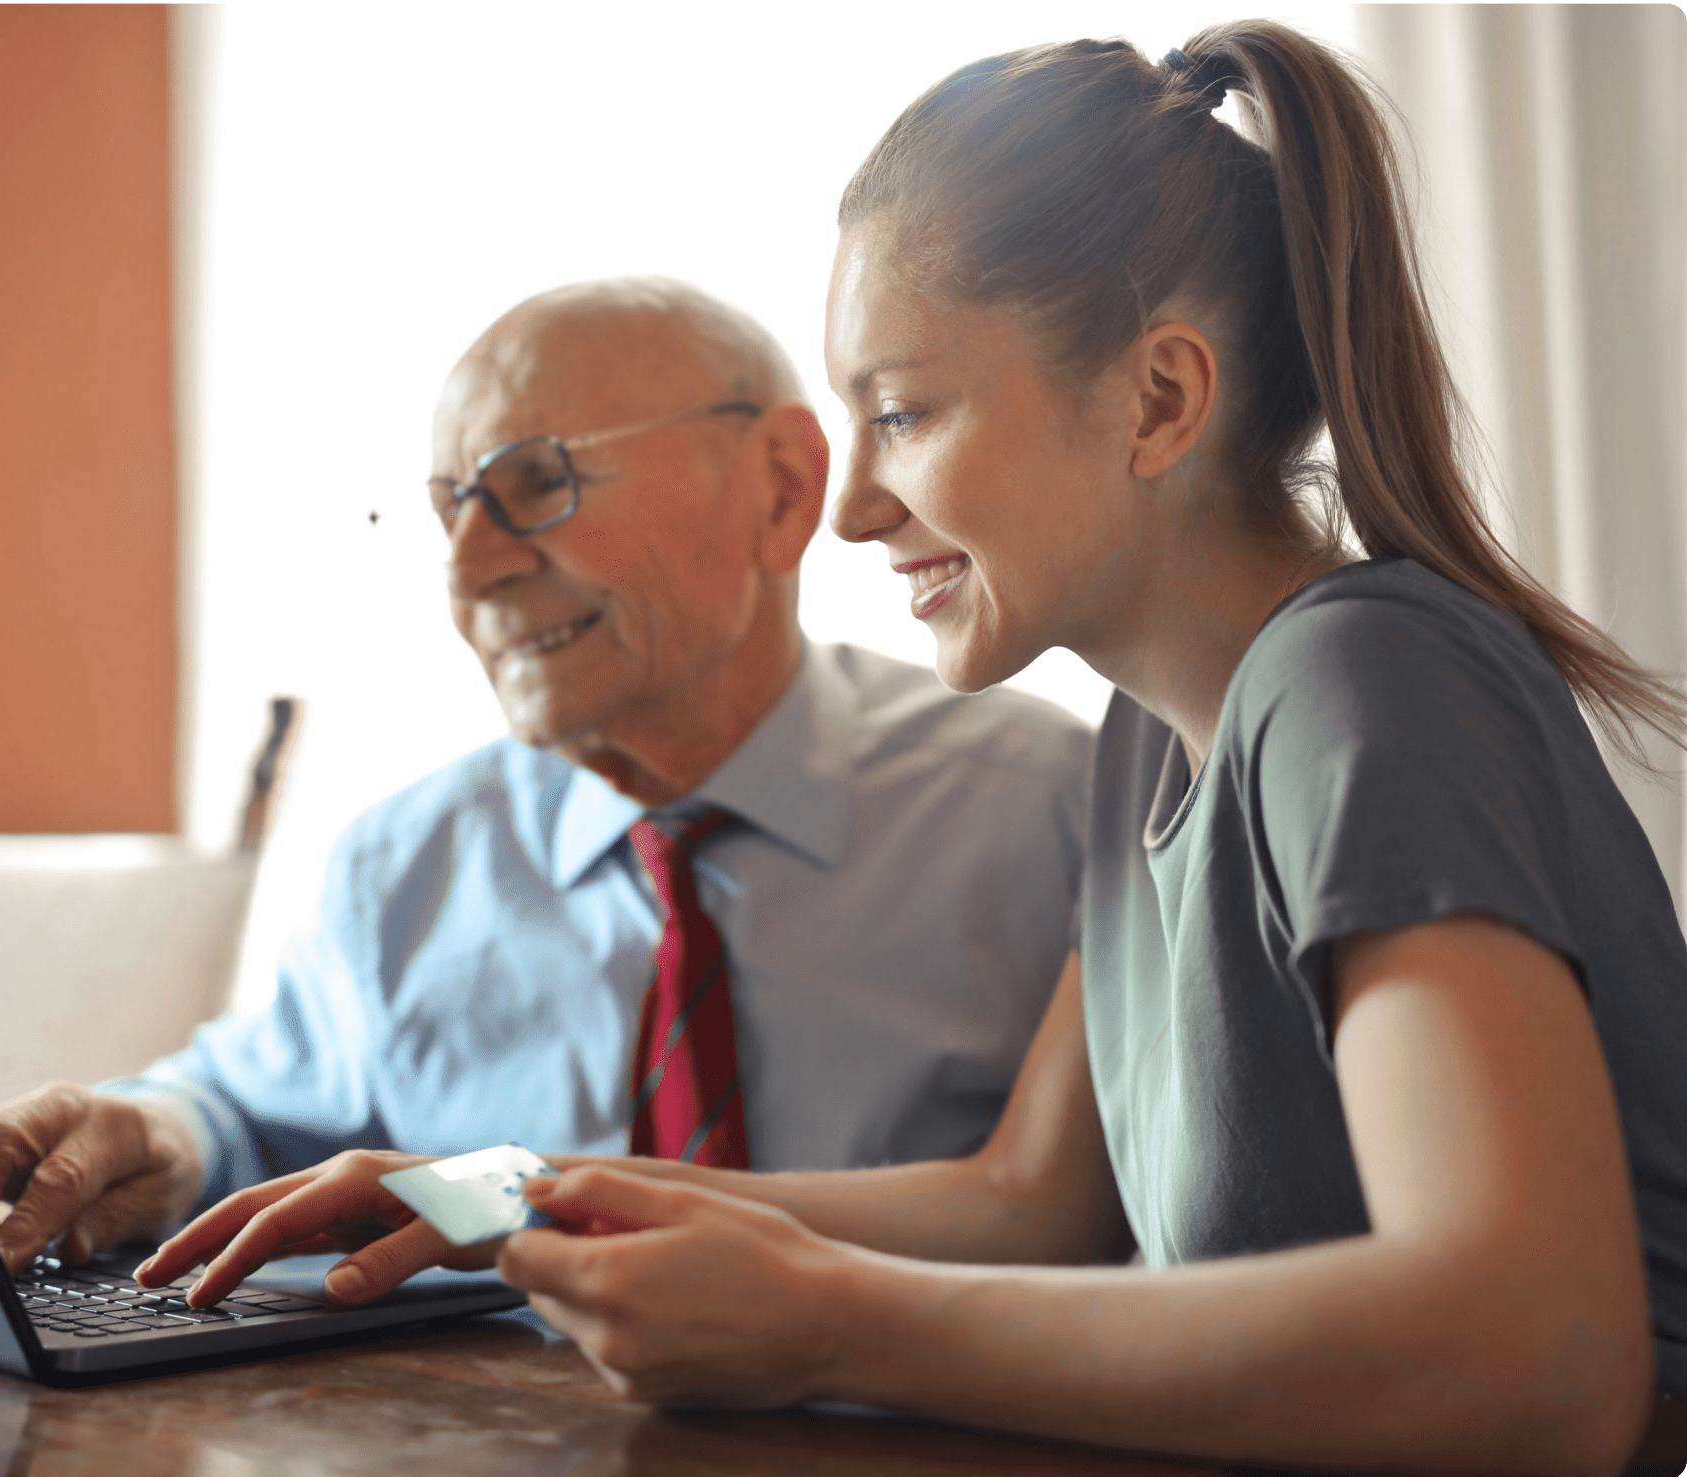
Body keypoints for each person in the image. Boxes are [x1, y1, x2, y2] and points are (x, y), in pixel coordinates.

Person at [139, 21, 1687, 1477]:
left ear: (1158, 401)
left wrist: (825, 1320)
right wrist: (501, 1195)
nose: (858, 505)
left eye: (905, 413)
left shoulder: (1360, 681)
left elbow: (1537, 1358)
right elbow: (1028, 1203)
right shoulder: (1152, 745)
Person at [0, 279, 1096, 1282]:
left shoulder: (1051, 810)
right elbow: (252, 1106)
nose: (470, 571)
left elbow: (1098, 1221)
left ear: (783, 487)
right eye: (452, 507)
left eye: (535, 482)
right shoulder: (404, 862)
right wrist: (158, 1131)